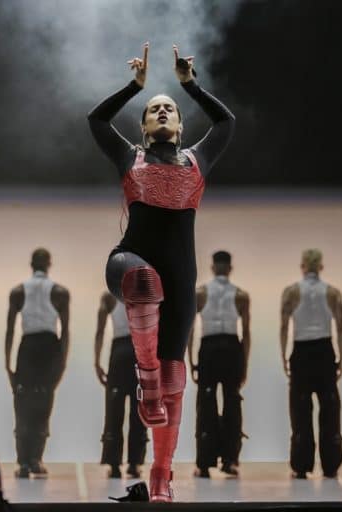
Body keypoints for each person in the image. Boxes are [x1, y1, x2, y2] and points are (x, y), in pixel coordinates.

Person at [88, 42, 235, 501]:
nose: (163, 111)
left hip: (181, 282)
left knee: (176, 380)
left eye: (170, 108)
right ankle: (146, 382)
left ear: (181, 124)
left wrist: (191, 85)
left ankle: (161, 475)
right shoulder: (129, 157)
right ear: (145, 126)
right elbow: (96, 121)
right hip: (128, 263)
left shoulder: (197, 161)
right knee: (143, 283)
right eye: (154, 109)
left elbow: (226, 123)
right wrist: (134, 86)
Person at [280, 249, 342, 479]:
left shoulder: (291, 292)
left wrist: (283, 356)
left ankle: (301, 464)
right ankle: (331, 465)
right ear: (321, 267)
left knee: (300, 410)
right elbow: (340, 328)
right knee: (330, 409)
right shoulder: (333, 293)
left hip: (302, 351)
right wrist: (341, 357)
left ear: (302, 266)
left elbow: (284, 327)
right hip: (325, 351)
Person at [5, 248, 70, 478]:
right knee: (43, 402)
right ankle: (35, 460)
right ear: (48, 264)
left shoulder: (18, 292)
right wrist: (62, 361)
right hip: (49, 346)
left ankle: (24, 461)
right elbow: (65, 332)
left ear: (31, 264)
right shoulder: (60, 292)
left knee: (22, 404)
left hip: (28, 346)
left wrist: (8, 365)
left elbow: (10, 331)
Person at [188, 250, 250, 478]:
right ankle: (230, 460)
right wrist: (244, 363)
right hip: (232, 348)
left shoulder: (200, 293)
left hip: (209, 348)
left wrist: (191, 359)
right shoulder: (241, 295)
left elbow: (190, 329)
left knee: (206, 404)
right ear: (230, 268)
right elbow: (246, 333)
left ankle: (204, 463)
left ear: (213, 267)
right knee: (232, 403)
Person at [95, 291, 147, 480]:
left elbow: (100, 331)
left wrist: (96, 361)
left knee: (114, 409)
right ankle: (134, 464)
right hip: (140, 349)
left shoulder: (109, 297)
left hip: (119, 351)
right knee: (139, 409)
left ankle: (114, 464)